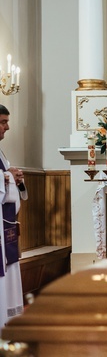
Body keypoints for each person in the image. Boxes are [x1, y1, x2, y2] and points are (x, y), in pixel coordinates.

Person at [0, 104, 28, 330]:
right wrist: (6, 178)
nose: (7, 127)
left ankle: (8, 321)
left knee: (9, 269)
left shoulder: (1, 152)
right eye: (2, 122)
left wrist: (14, 178)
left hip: (5, 225)